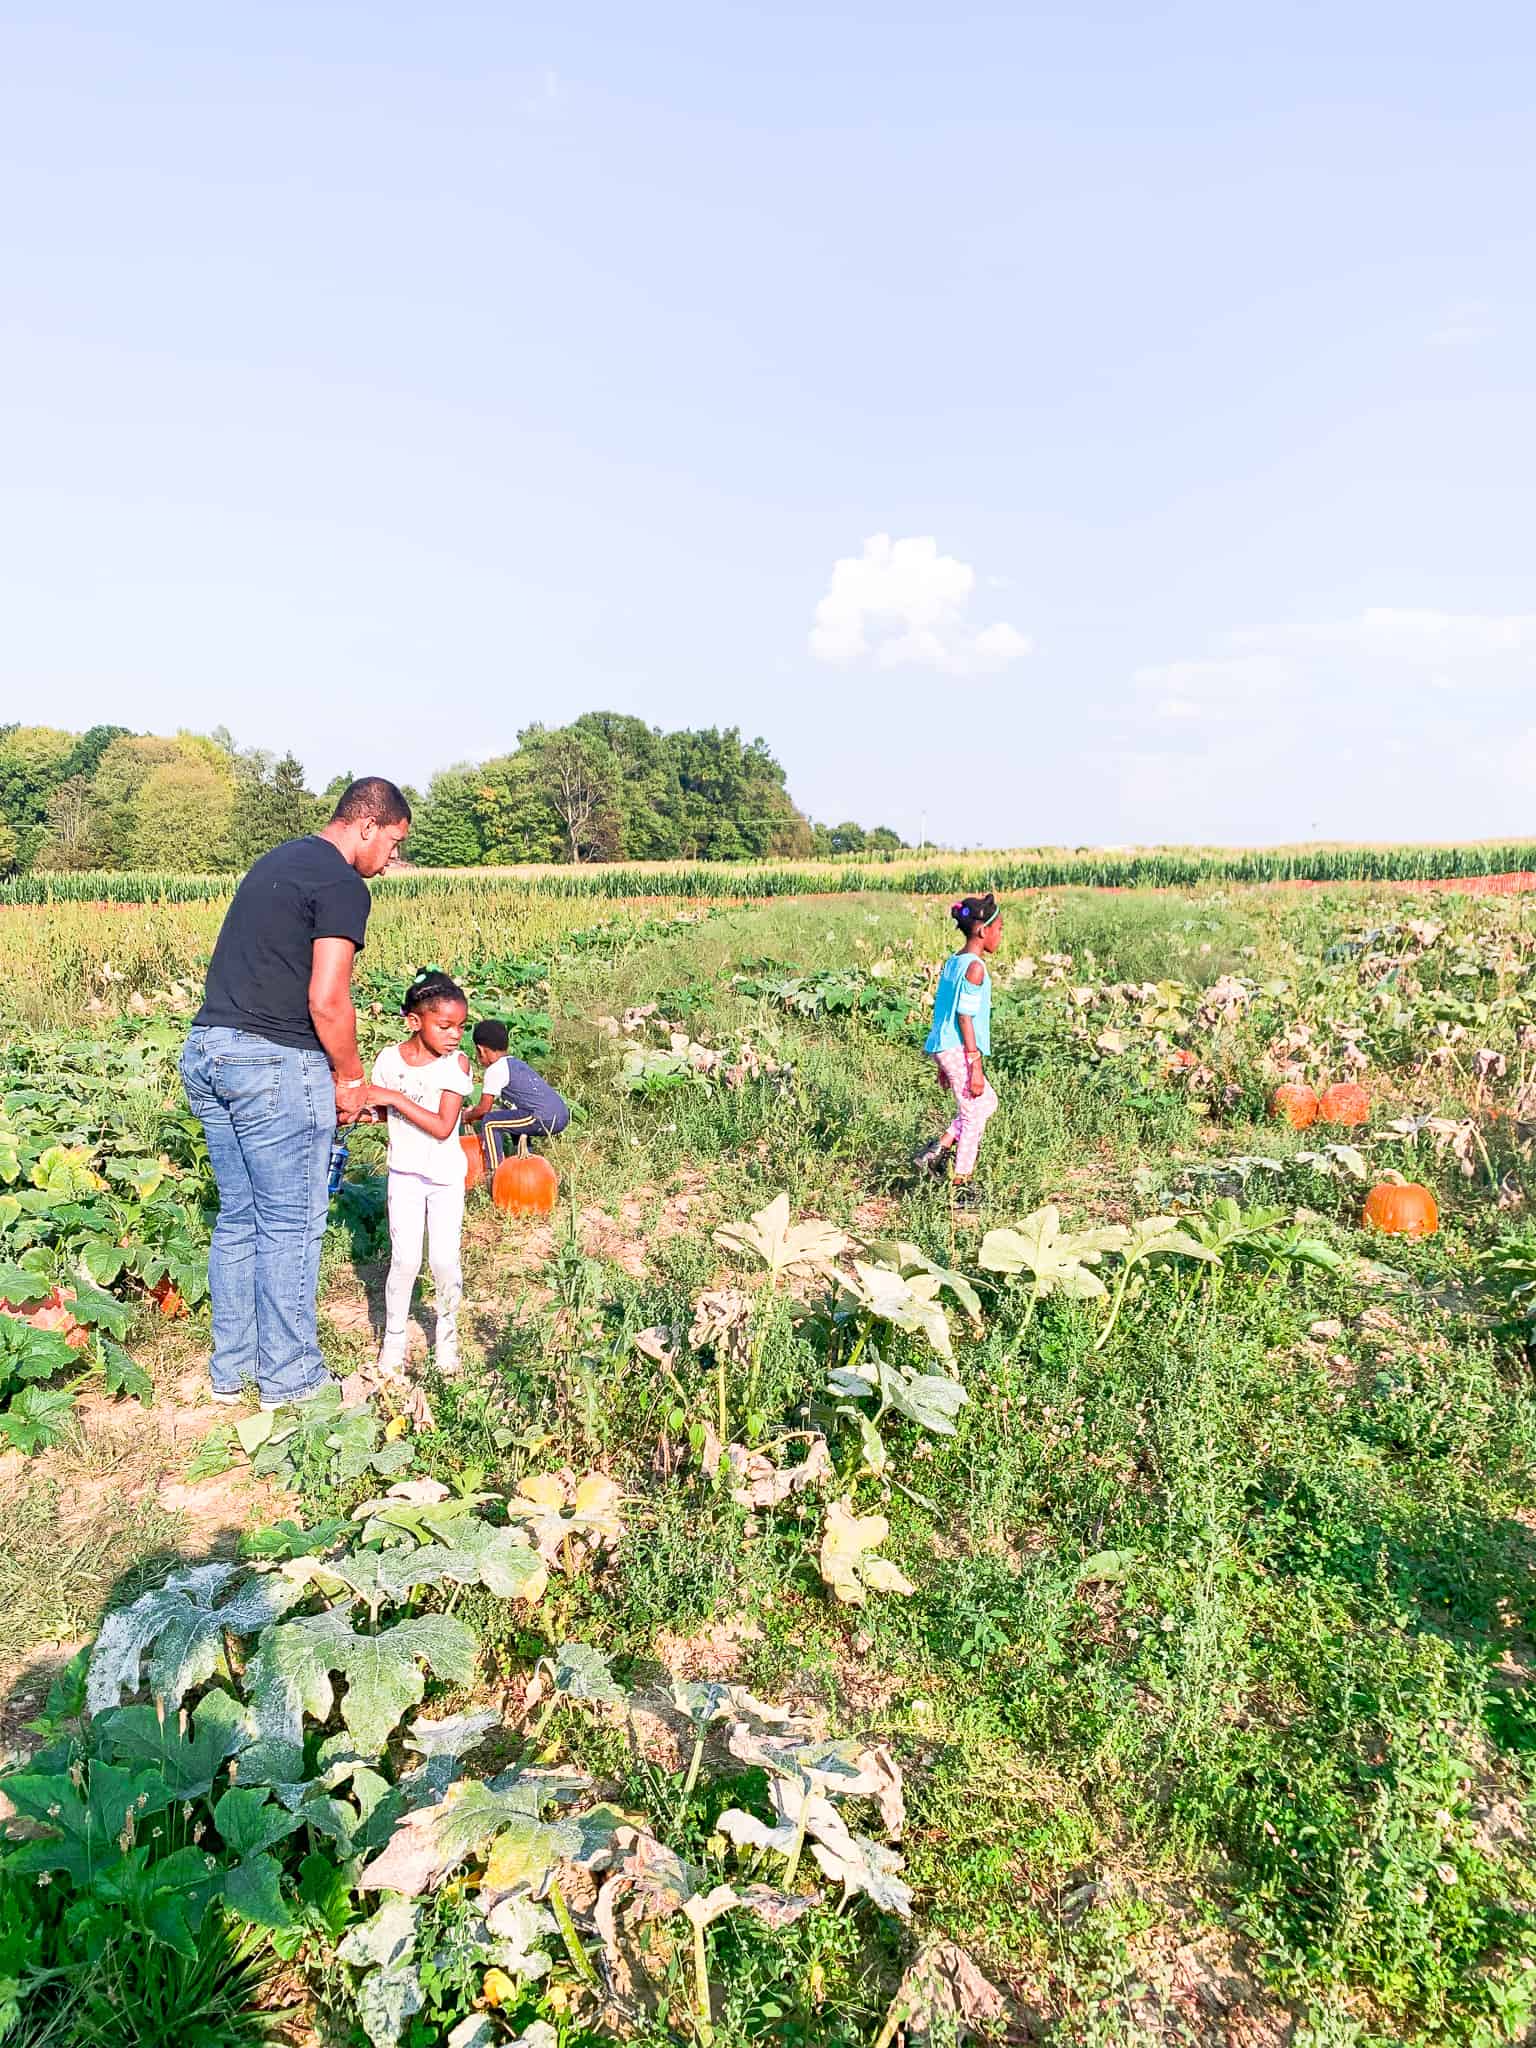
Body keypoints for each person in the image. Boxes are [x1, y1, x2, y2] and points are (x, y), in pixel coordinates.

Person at [179, 777, 412, 1408]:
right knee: (290, 1224)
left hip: (208, 1050)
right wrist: (352, 1079)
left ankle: (232, 1371)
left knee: (239, 1217)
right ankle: (291, 1380)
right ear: (368, 824)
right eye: (393, 843)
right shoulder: (342, 883)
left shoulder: (276, 861)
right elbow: (328, 1000)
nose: (392, 859)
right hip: (273, 1064)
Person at [367, 968, 475, 1376]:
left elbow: (443, 1126)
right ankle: (394, 1340)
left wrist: (393, 1098)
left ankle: (447, 1337)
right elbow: (384, 1111)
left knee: (444, 1260)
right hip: (404, 1174)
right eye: (445, 1026)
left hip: (445, 1178)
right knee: (405, 1260)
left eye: (461, 1027)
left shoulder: (456, 1065)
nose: (455, 1035)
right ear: (414, 1021)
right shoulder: (388, 1061)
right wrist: (360, 1111)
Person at [915, 892, 1002, 1208]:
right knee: (974, 1114)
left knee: (987, 1102)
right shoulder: (975, 967)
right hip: (959, 1047)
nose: (1000, 936)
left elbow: (944, 1010)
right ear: (982, 930)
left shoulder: (954, 961)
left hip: (946, 1045)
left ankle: (936, 1150)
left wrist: (943, 1062)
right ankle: (960, 1185)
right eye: (998, 929)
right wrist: (974, 1064)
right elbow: (964, 1017)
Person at [461, 1019, 570, 1169]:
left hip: (542, 1117)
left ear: (481, 1050)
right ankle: (524, 1164)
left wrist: (467, 1116)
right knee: (511, 1115)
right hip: (561, 1114)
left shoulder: (495, 1069)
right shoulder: (516, 1063)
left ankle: (495, 1171)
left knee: (490, 1122)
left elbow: (484, 1109)